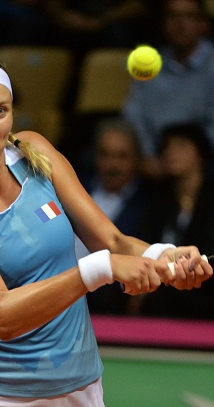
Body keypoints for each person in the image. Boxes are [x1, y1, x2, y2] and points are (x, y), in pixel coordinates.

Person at [0, 53, 212, 407]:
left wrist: (163, 255)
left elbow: (112, 240)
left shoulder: (33, 152)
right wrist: (100, 269)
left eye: (0, 110)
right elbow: (2, 317)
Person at [134, 122, 214, 320]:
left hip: (209, 305)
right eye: (167, 148)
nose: (171, 153)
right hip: (162, 305)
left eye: (181, 146)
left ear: (201, 155)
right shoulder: (158, 203)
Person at [122, 0, 214, 181]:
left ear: (203, 24)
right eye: (173, 16)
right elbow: (133, 117)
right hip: (158, 158)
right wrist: (148, 156)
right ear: (163, 23)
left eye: (189, 16)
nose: (181, 23)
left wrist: (182, 157)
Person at [75, 118, 154, 314]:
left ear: (136, 159)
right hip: (54, 294)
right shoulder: (76, 190)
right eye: (105, 155)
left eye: (121, 156)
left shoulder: (149, 206)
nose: (112, 165)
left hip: (106, 311)